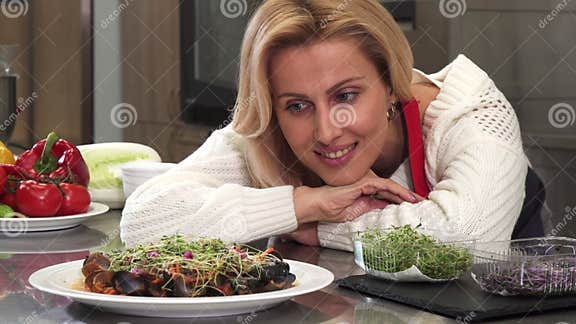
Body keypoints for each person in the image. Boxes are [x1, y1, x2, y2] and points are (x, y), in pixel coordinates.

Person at [120, 0, 531, 251]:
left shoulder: (471, 111)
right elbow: (145, 221)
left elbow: (472, 238)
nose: (327, 131)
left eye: (346, 96)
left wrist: (324, 231)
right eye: (297, 105)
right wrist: (303, 205)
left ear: (391, 84)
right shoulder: (268, 134)